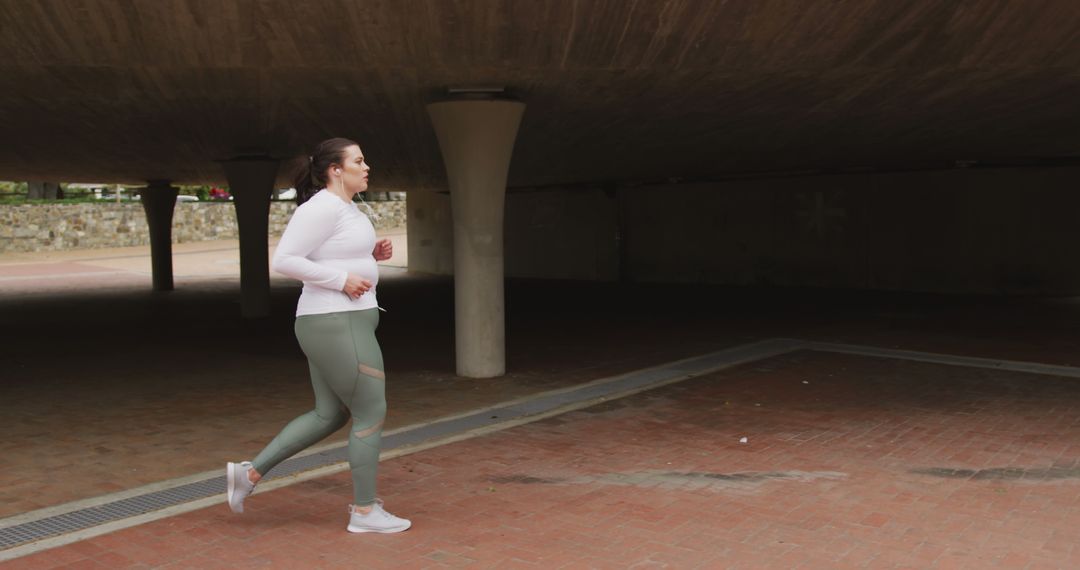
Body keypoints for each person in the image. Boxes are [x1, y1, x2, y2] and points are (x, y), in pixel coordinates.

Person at [225, 137, 410, 534]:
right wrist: (342, 279)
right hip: (336, 322)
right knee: (370, 412)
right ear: (335, 170)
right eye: (358, 161)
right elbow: (285, 260)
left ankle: (249, 475)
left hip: (341, 321)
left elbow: (332, 253)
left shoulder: (347, 207)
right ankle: (364, 513)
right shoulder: (321, 207)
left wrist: (369, 256)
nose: (367, 167)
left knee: (330, 414)